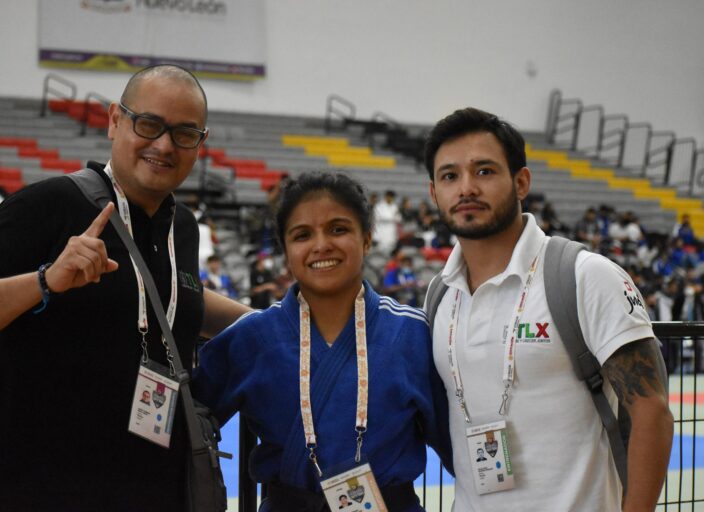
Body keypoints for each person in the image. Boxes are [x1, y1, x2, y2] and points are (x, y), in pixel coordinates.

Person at [0, 64, 250, 511]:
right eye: (149, 124)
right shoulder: (48, 204)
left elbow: (176, 294)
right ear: (114, 120)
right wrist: (45, 280)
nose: (164, 145)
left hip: (153, 490)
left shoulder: (182, 226)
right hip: (42, 493)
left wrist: (273, 320)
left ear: (200, 143)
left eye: (184, 133)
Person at [423, 107, 673, 511]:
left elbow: (651, 412)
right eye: (450, 176)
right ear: (434, 192)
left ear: (521, 182)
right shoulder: (440, 295)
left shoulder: (585, 276)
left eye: (484, 171)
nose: (466, 188)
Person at [192, 172, 450, 512]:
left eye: (338, 229)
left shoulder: (412, 334)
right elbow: (185, 430)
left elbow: (458, 447)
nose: (321, 245)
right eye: (302, 235)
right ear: (285, 251)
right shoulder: (253, 337)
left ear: (368, 239)